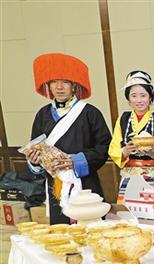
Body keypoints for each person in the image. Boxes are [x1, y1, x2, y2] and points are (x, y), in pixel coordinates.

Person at [27, 53, 111, 224]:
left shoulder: (90, 113)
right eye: (54, 81)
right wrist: (34, 161)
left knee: (90, 230)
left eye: (65, 82)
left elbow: (104, 148)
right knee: (61, 232)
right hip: (56, 186)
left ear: (74, 86)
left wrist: (76, 161)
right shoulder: (42, 115)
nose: (59, 87)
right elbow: (36, 147)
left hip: (85, 185)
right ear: (48, 85)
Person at [108, 70, 154, 202]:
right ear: (128, 99)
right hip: (129, 175)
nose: (139, 100)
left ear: (150, 97)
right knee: (129, 212)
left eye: (143, 95)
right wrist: (125, 152)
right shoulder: (123, 119)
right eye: (134, 96)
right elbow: (113, 148)